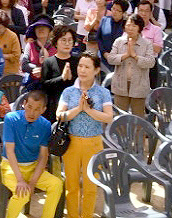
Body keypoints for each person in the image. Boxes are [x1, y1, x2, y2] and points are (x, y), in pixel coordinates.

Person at [55, 51, 113, 218]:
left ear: (96, 70)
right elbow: (59, 115)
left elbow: (108, 117)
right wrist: (79, 109)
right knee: (72, 186)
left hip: (94, 143)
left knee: (91, 186)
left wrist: (88, 110)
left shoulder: (103, 92)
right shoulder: (68, 91)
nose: (82, 70)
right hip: (71, 143)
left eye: (87, 67)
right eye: (80, 66)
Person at [1, 90, 63, 218]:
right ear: (24, 104)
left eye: (37, 109)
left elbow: (43, 156)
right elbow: (9, 151)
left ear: (43, 110)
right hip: (11, 167)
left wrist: (33, 183)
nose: (32, 113)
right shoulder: (11, 119)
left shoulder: (45, 125)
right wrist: (20, 180)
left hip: (32, 167)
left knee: (56, 184)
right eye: (29, 107)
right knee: (22, 194)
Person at [105, 13, 156, 116]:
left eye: (134, 25)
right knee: (120, 116)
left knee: (138, 117)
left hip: (139, 86)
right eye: (128, 25)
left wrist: (135, 56)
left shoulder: (146, 44)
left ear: (139, 27)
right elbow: (110, 59)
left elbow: (151, 62)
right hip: (120, 85)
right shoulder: (118, 41)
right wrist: (125, 55)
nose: (130, 28)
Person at [21, 15, 56, 90]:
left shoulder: (55, 47)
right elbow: (24, 65)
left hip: (51, 84)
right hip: (33, 85)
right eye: (38, 27)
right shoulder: (30, 46)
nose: (41, 29)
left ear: (49, 30)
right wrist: (37, 69)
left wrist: (44, 70)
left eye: (44, 27)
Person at [0, 9, 21, 76]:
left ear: (5, 26)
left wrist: (2, 56)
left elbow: (16, 56)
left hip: (9, 73)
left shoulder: (12, 36)